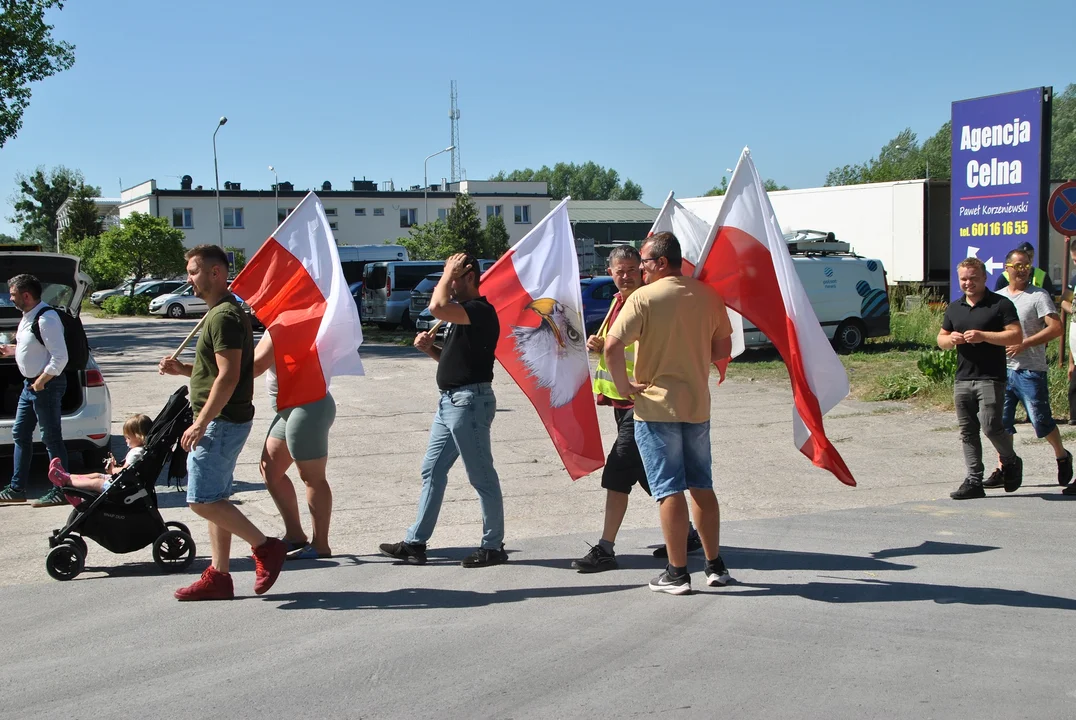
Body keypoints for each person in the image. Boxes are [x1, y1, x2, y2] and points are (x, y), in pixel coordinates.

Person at [604, 232, 734, 595]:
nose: (641, 269)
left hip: (656, 407)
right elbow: (723, 347)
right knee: (702, 486)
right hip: (696, 405)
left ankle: (677, 572)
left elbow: (613, 347)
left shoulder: (643, 298)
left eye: (644, 262)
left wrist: (624, 386)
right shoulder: (708, 295)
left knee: (669, 490)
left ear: (661, 262)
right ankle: (714, 564)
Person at [159, 244, 286, 601]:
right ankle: (219, 576)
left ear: (216, 273)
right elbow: (217, 371)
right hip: (225, 419)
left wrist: (200, 422)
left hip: (220, 421)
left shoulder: (225, 317)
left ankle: (265, 547)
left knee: (200, 500)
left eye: (194, 271)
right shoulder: (221, 314)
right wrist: (182, 370)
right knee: (217, 499)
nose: (189, 279)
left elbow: (229, 378)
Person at [572, 245, 701, 573]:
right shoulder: (618, 302)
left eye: (632, 269)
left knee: (617, 472)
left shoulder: (646, 301)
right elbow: (616, 346)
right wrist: (598, 344)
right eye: (620, 271)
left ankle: (605, 548)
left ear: (642, 270)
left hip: (641, 403)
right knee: (648, 472)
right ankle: (687, 534)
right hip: (622, 402)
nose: (626, 276)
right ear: (610, 272)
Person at [379, 253, 506, 568]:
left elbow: (435, 306)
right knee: (432, 471)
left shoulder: (480, 311)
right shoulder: (462, 315)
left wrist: (447, 274)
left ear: (470, 277)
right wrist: (430, 350)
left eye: (454, 277)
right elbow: (458, 362)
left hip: (469, 403)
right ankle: (415, 542)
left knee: (481, 476)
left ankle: (492, 546)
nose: (448, 284)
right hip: (450, 401)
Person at [985, 249, 1072, 489]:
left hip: (1030, 370)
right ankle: (1005, 467)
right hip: (1002, 371)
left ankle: (1062, 456)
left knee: (1041, 421)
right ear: (1008, 268)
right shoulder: (998, 297)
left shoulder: (1038, 296)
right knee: (1001, 424)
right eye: (1018, 266)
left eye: (1027, 266)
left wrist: (1024, 343)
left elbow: (1056, 329)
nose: (1023, 271)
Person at [938, 257, 1024, 500]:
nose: (968, 283)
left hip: (990, 377)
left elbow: (1016, 336)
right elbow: (941, 340)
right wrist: (951, 340)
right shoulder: (955, 307)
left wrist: (983, 336)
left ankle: (1011, 461)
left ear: (984, 278)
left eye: (973, 278)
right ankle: (974, 480)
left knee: (990, 426)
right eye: (964, 279)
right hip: (963, 378)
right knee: (967, 431)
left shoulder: (1000, 304)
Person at [254, 333, 337, 559]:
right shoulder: (278, 325)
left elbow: (255, 366)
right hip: (288, 408)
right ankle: (295, 536)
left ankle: (321, 545)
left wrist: (201, 370)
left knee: (312, 477)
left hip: (307, 407)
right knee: (270, 470)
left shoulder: (284, 324)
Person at [0, 274, 70, 507]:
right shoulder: (28, 317)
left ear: (26, 295)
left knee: (51, 438)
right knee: (20, 434)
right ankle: (17, 488)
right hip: (30, 387)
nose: (10, 299)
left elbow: (61, 357)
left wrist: (41, 381)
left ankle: (62, 490)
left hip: (45, 386)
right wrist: (10, 351)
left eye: (12, 295)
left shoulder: (46, 318)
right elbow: (31, 348)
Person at [47, 414, 153, 493]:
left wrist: (112, 470)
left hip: (121, 486)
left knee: (95, 482)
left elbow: (126, 471)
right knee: (97, 475)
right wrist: (114, 466)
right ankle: (67, 476)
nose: (125, 440)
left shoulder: (137, 453)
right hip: (122, 482)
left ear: (139, 437)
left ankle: (67, 482)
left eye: (128, 438)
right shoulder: (141, 451)